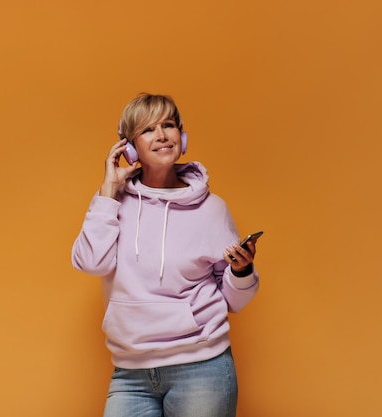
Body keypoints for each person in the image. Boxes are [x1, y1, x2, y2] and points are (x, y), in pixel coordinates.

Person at [71, 93, 260, 417]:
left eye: (169, 125)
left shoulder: (212, 209)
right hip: (130, 372)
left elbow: (234, 301)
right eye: (148, 129)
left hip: (202, 369)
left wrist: (241, 272)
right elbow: (91, 264)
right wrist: (107, 194)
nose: (161, 135)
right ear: (128, 147)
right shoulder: (110, 203)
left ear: (181, 137)